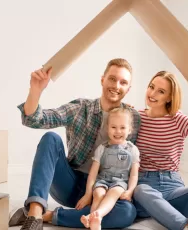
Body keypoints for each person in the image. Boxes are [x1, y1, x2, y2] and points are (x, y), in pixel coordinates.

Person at [9, 58, 141, 230]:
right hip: (71, 185)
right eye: (112, 79)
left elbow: (154, 124)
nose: (116, 85)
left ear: (128, 89)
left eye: (123, 82)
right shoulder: (81, 108)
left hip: (106, 190)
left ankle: (48, 215)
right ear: (102, 79)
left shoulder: (134, 118)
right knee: (51, 138)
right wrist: (35, 90)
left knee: (127, 213)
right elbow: (34, 119)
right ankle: (34, 215)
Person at [132, 71, 188, 230]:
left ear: (170, 97)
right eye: (151, 87)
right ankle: (184, 226)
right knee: (140, 190)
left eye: (161, 91)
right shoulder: (135, 117)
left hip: (172, 186)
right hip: (144, 187)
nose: (152, 94)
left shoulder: (178, 119)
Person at [78, 107, 140, 230]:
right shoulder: (102, 148)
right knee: (98, 194)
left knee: (113, 193)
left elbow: (133, 175)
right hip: (103, 179)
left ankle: (95, 216)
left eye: (122, 128)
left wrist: (130, 191)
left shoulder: (132, 149)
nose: (118, 131)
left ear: (130, 130)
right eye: (113, 127)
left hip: (120, 182)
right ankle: (95, 222)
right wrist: (87, 193)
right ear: (107, 128)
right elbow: (93, 173)